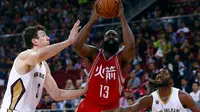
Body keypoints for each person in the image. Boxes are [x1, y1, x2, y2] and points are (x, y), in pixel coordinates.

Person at [0, 20, 88, 112]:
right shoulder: (24, 56)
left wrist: (84, 90)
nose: (48, 38)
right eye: (43, 35)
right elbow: (38, 55)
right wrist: (69, 41)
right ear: (34, 41)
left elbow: (57, 94)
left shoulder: (44, 66)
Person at [73, 0, 135, 112]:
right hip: (89, 106)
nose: (111, 37)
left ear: (120, 41)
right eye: (108, 35)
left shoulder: (122, 59)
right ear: (103, 41)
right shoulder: (94, 54)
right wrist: (92, 20)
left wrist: (122, 16)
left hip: (111, 108)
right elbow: (77, 46)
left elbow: (130, 46)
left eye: (114, 35)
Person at [104, 69, 200, 112]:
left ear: (171, 81)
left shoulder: (182, 96)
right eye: (159, 73)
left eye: (164, 73)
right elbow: (130, 109)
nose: (159, 74)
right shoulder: (150, 99)